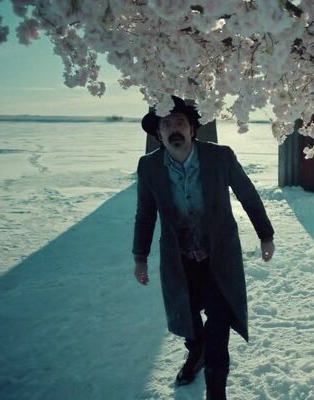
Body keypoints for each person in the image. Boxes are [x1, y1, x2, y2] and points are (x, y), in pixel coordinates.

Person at [132, 96, 275, 400]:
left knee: (218, 327)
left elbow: (247, 195)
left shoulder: (220, 157)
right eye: (166, 124)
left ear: (192, 129)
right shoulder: (149, 167)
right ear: (158, 133)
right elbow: (145, 213)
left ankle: (216, 391)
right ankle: (195, 352)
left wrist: (265, 234)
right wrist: (140, 257)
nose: (174, 129)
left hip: (218, 258)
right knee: (189, 319)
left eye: (180, 123)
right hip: (180, 260)